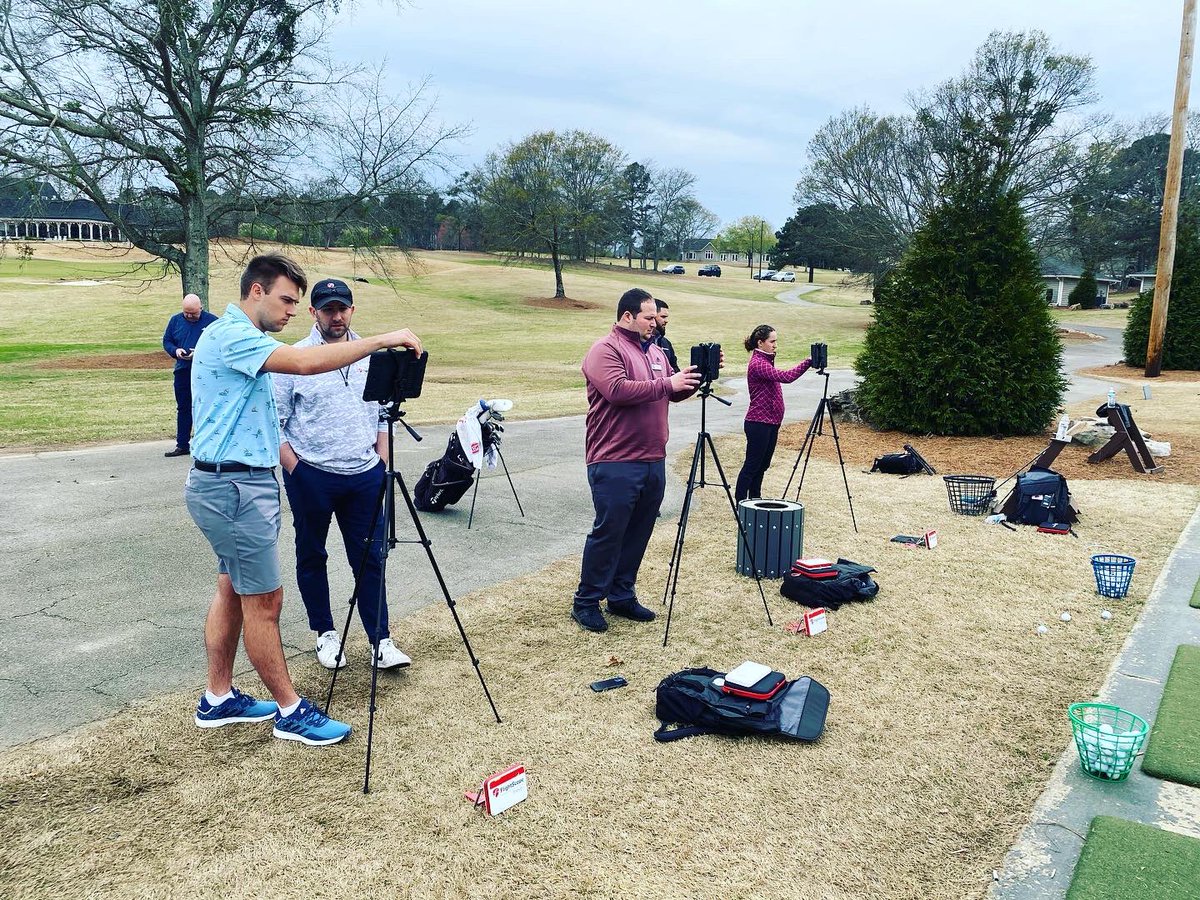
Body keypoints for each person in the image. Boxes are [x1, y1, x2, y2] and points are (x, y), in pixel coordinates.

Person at [185, 253, 422, 747]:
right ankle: (291, 711)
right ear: (256, 291)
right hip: (233, 486)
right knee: (264, 600)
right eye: (287, 299)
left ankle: (218, 696)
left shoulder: (239, 336)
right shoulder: (233, 335)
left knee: (232, 587)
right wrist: (381, 339)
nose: (293, 310)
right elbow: (305, 362)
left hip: (236, 482)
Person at [274, 278, 411, 673]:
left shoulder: (372, 353)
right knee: (312, 553)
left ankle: (380, 640)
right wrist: (295, 468)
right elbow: (275, 422)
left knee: (370, 557)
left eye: (343, 308)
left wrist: (381, 459)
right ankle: (325, 633)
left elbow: (386, 412)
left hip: (364, 473)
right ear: (314, 312)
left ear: (352, 310)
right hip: (312, 473)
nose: (336, 316)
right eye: (328, 309)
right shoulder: (293, 358)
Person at [571, 288, 701, 633]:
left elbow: (670, 390)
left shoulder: (657, 351)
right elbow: (618, 390)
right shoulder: (605, 349)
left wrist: (692, 380)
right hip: (614, 458)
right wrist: (667, 383)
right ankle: (586, 601)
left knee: (639, 530)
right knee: (609, 531)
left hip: (652, 458)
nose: (655, 323)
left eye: (657, 317)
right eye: (649, 317)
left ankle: (621, 594)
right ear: (627, 316)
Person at [735, 324, 811, 503]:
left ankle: (755, 499)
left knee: (763, 465)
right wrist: (808, 362)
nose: (775, 345)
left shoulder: (766, 360)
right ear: (760, 343)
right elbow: (787, 377)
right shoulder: (758, 364)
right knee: (752, 465)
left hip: (771, 422)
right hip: (758, 423)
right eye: (772, 341)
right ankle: (740, 502)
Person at [162, 293, 217, 457]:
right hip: (183, 370)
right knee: (183, 407)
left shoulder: (213, 322)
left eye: (193, 313)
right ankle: (182, 444)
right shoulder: (175, 321)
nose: (189, 316)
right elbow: (167, 341)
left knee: (205, 407)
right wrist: (175, 350)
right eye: (186, 313)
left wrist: (199, 353)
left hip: (205, 372)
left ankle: (206, 443)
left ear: (201, 308)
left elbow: (219, 345)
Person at [652, 298, 678, 373]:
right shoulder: (640, 342)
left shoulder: (666, 343)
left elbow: (674, 368)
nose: (666, 321)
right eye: (663, 317)